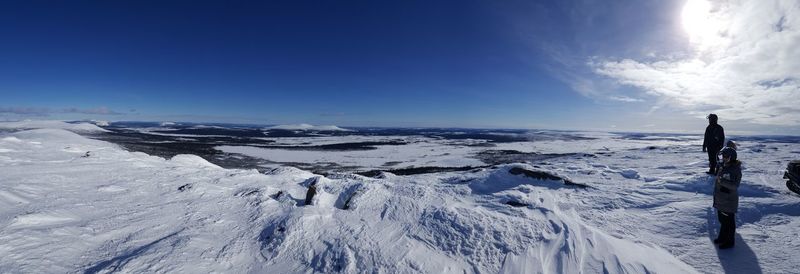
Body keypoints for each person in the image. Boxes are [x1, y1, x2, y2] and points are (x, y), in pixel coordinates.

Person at [713, 147, 741, 249]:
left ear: (731, 157)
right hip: (721, 199)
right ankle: (722, 237)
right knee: (722, 220)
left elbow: (735, 185)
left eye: (726, 156)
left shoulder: (735, 170)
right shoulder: (724, 166)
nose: (723, 158)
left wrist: (722, 182)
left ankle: (729, 241)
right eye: (722, 156)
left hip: (728, 200)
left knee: (729, 222)